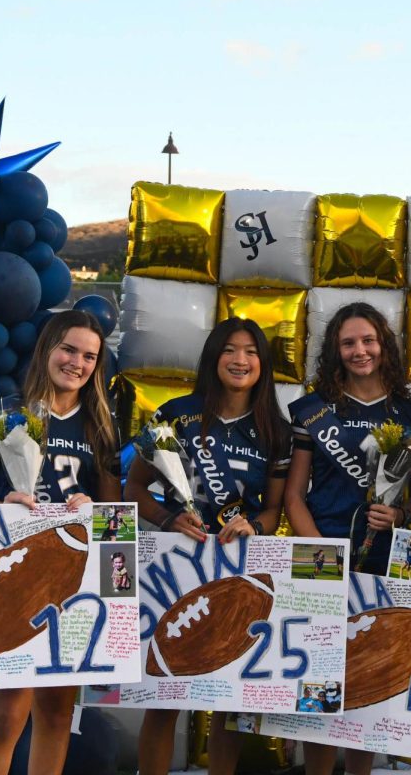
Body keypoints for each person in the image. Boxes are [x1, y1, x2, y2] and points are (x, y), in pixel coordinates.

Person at [0, 310, 120, 775]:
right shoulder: (7, 414)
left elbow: (115, 516)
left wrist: (94, 510)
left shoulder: (102, 426)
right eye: (69, 349)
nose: (77, 362)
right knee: (5, 715)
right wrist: (4, 507)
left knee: (55, 712)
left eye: (90, 356)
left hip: (72, 582)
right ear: (47, 348)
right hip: (13, 578)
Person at [128, 317, 291, 775]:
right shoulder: (175, 414)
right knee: (165, 695)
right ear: (213, 357)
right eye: (230, 350)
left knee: (230, 695)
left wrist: (253, 525)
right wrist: (166, 516)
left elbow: (276, 510)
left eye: (251, 352)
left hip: (240, 570)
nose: (240, 360)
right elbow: (134, 489)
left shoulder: (276, 429)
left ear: (263, 364)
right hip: (176, 568)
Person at [285, 303, 411, 775]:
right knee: (319, 682)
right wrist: (319, 557)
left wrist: (402, 513)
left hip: (385, 564)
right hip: (321, 555)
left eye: (368, 340)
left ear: (383, 344)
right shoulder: (313, 411)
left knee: (369, 679)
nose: (359, 351)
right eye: (348, 343)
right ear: (335, 350)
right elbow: (293, 496)